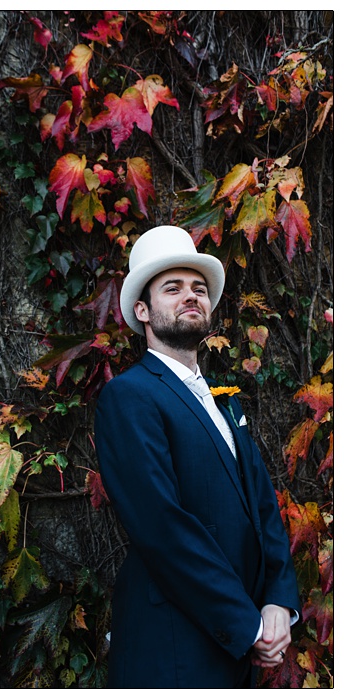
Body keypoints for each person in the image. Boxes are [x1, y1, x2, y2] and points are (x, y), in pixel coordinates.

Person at [94, 225, 300, 687]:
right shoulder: (130, 396)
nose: (191, 296)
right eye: (173, 288)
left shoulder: (226, 400)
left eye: (199, 289)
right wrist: (246, 624)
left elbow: (263, 506)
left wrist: (277, 602)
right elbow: (162, 526)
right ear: (142, 311)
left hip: (237, 650)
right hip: (173, 649)